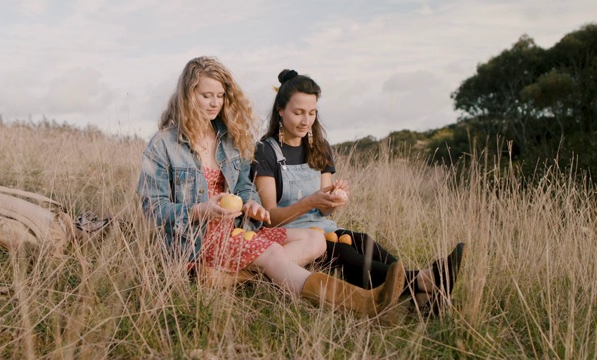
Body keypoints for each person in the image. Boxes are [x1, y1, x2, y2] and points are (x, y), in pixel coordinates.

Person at [136, 56, 406, 322]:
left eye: (220, 95)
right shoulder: (163, 145)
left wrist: (251, 203)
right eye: (207, 95)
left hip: (237, 229)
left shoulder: (227, 139)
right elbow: (152, 207)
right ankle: (363, 304)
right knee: (273, 255)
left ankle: (227, 277)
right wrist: (201, 209)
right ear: (187, 95)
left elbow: (245, 187)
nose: (215, 103)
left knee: (315, 240)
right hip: (194, 239)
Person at [252, 69, 465, 315]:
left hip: (323, 228)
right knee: (345, 254)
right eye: (298, 113)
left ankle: (420, 294)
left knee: (364, 240)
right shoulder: (265, 151)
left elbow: (323, 210)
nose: (305, 121)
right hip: (292, 237)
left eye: (312, 113)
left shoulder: (319, 148)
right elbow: (271, 218)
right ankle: (424, 283)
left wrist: (331, 200)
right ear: (280, 110)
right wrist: (310, 200)